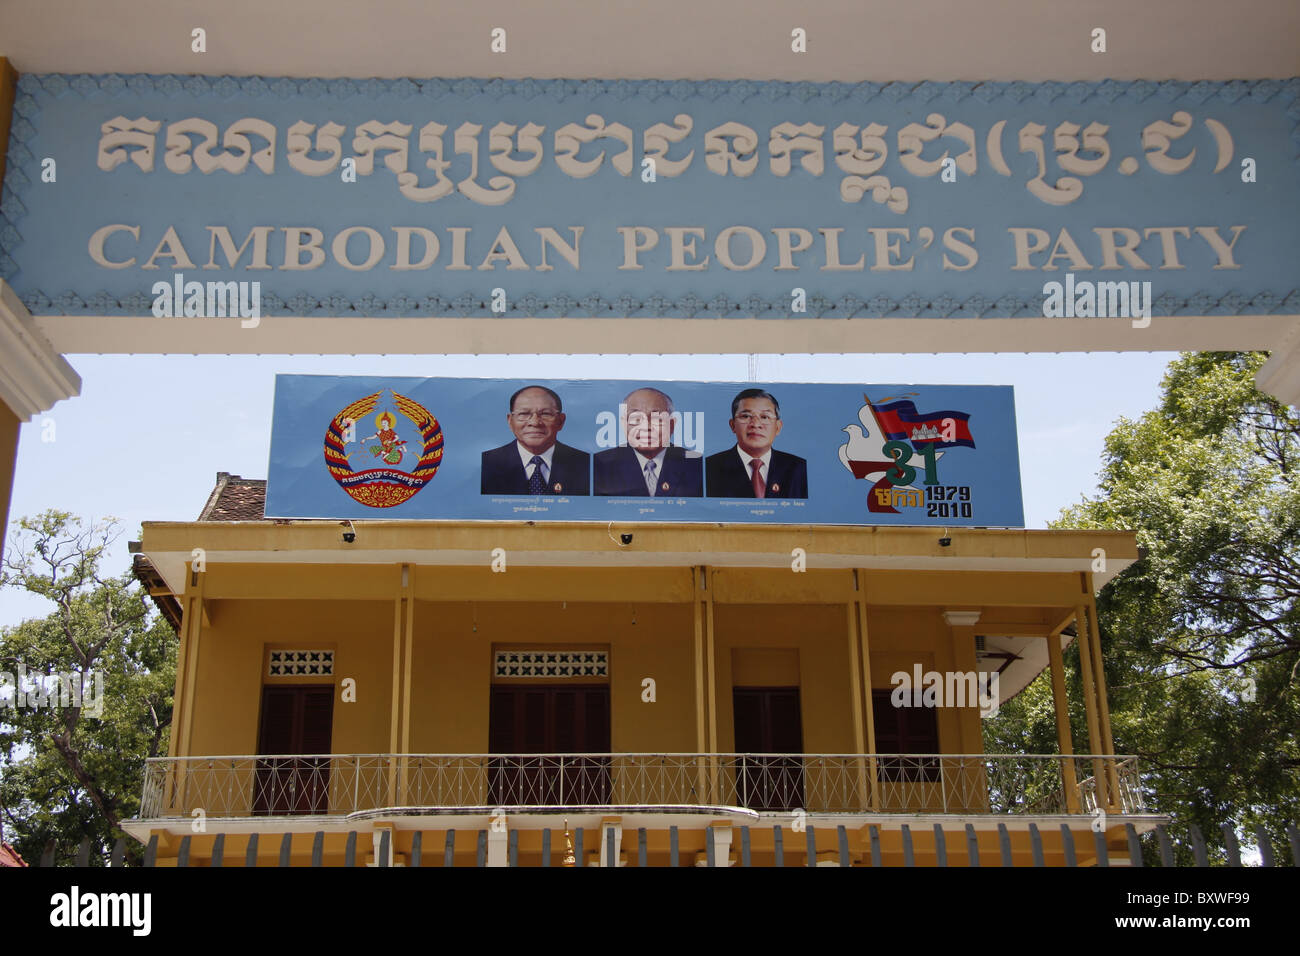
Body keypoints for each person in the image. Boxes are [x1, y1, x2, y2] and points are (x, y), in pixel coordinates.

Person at [481, 385, 590, 495]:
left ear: (560, 421)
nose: (535, 422)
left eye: (546, 414)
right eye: (524, 414)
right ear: (510, 421)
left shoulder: (586, 464)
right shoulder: (486, 463)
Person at [594, 387, 703, 496]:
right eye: (636, 419)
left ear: (671, 425)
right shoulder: (599, 464)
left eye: (656, 419)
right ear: (624, 424)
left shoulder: (698, 464)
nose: (646, 427)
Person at [705, 388, 807, 498]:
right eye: (746, 416)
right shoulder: (709, 468)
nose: (755, 424)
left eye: (764, 417)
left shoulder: (799, 468)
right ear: (733, 425)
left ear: (778, 427)